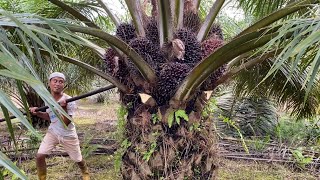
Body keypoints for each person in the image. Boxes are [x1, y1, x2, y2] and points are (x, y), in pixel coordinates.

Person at [29, 72, 89, 180]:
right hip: (53, 132)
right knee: (39, 156)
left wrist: (64, 108)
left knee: (78, 159)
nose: (57, 84)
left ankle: (85, 172)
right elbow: (50, 117)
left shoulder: (69, 100)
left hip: (68, 134)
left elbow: (66, 123)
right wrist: (37, 113)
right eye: (55, 81)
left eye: (60, 81)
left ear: (63, 85)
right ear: (49, 83)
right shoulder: (47, 98)